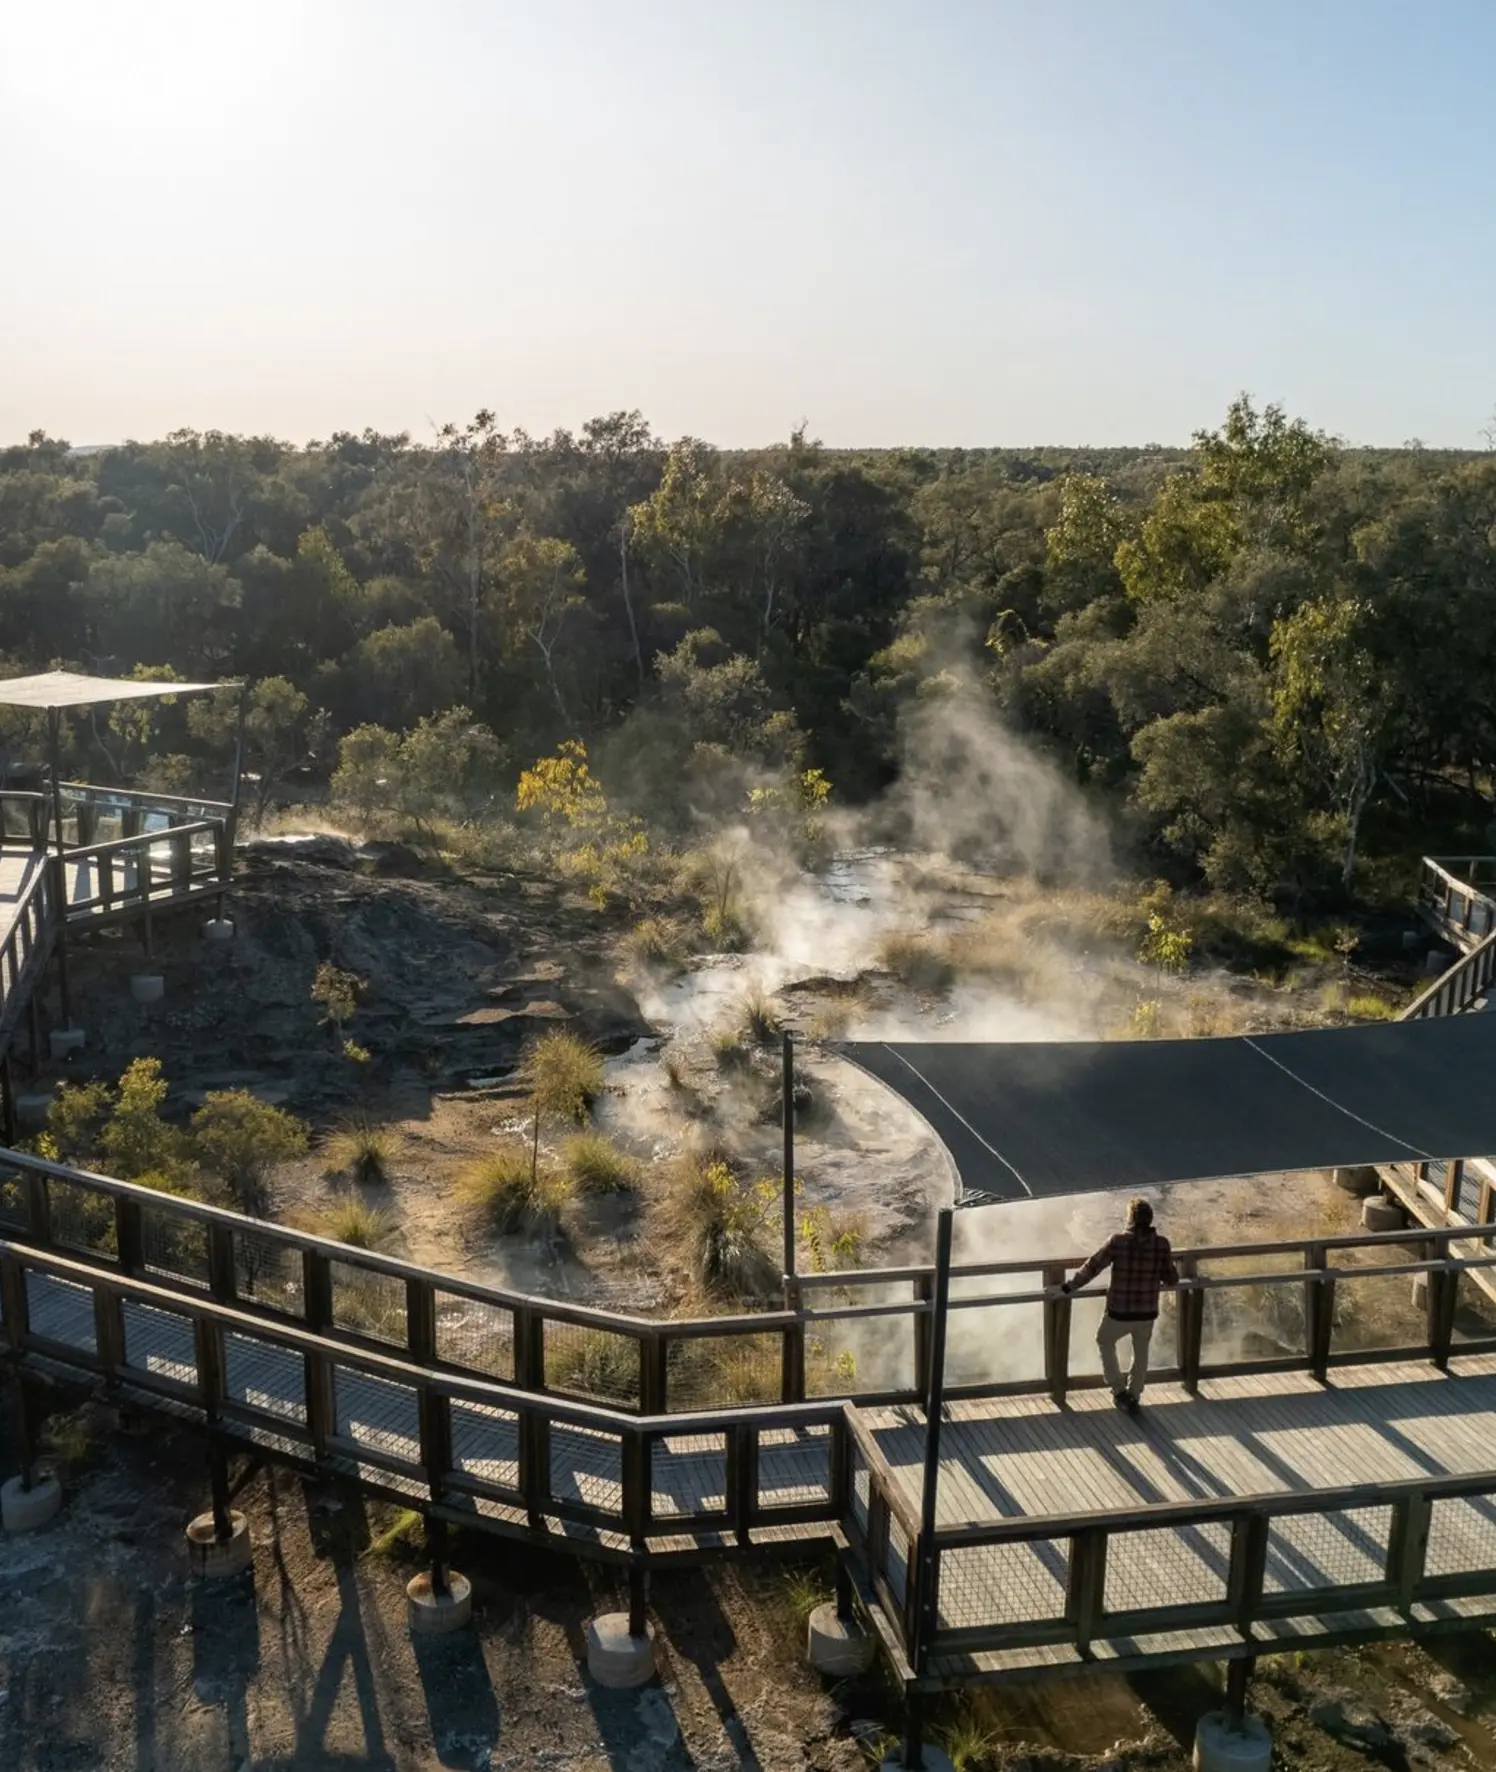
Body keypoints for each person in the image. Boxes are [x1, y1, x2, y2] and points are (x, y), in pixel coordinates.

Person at [1060, 1197, 1178, 1414]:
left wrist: (1070, 1287)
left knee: (1104, 1341)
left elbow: (1092, 1267)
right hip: (1147, 1311)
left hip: (1119, 1311)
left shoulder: (1118, 1242)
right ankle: (1134, 1394)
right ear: (1150, 1220)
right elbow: (1171, 1278)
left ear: (1130, 1219)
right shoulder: (1162, 1245)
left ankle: (1118, 1390)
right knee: (1141, 1352)